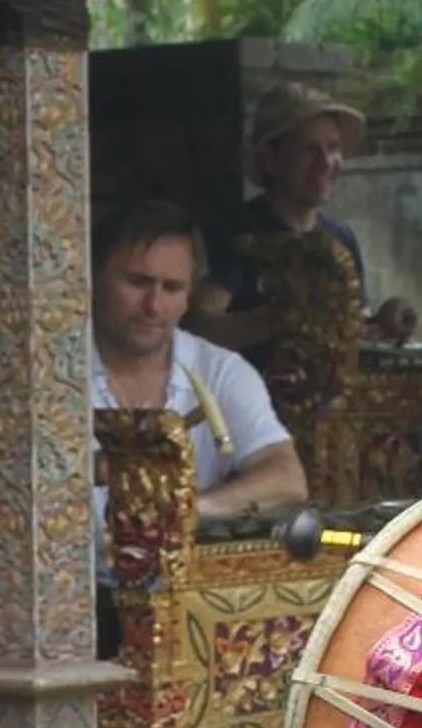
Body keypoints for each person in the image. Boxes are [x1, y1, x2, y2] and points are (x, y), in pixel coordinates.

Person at [89, 200, 305, 525]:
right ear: (93, 280)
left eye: (172, 288)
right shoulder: (49, 370)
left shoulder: (221, 371)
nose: (153, 305)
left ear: (189, 296)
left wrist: (183, 512)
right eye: (137, 282)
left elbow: (287, 481)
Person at [192, 82, 403, 353]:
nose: (326, 162)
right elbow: (201, 327)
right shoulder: (234, 232)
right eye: (310, 149)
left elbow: (355, 325)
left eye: (333, 148)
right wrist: (282, 317)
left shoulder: (341, 237)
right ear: (270, 159)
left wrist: (380, 327)